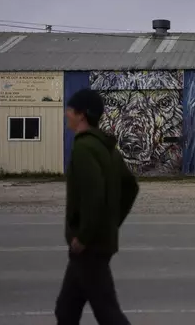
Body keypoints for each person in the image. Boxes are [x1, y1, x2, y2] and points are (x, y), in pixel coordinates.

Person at [55, 88, 140, 325]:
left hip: (88, 247)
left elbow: (94, 195)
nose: (66, 114)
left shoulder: (84, 148)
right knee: (66, 310)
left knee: (108, 313)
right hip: (94, 244)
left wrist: (84, 236)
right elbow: (130, 187)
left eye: (70, 110)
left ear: (81, 115)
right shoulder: (105, 147)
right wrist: (111, 223)